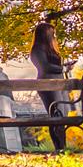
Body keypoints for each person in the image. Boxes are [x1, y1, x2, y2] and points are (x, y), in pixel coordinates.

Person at [29, 22, 70, 153]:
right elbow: (45, 67)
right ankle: (59, 147)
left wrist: (65, 67)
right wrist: (63, 68)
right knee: (55, 114)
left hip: (59, 83)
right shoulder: (37, 49)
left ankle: (63, 146)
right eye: (52, 33)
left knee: (62, 115)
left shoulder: (50, 49)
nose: (54, 36)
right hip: (48, 84)